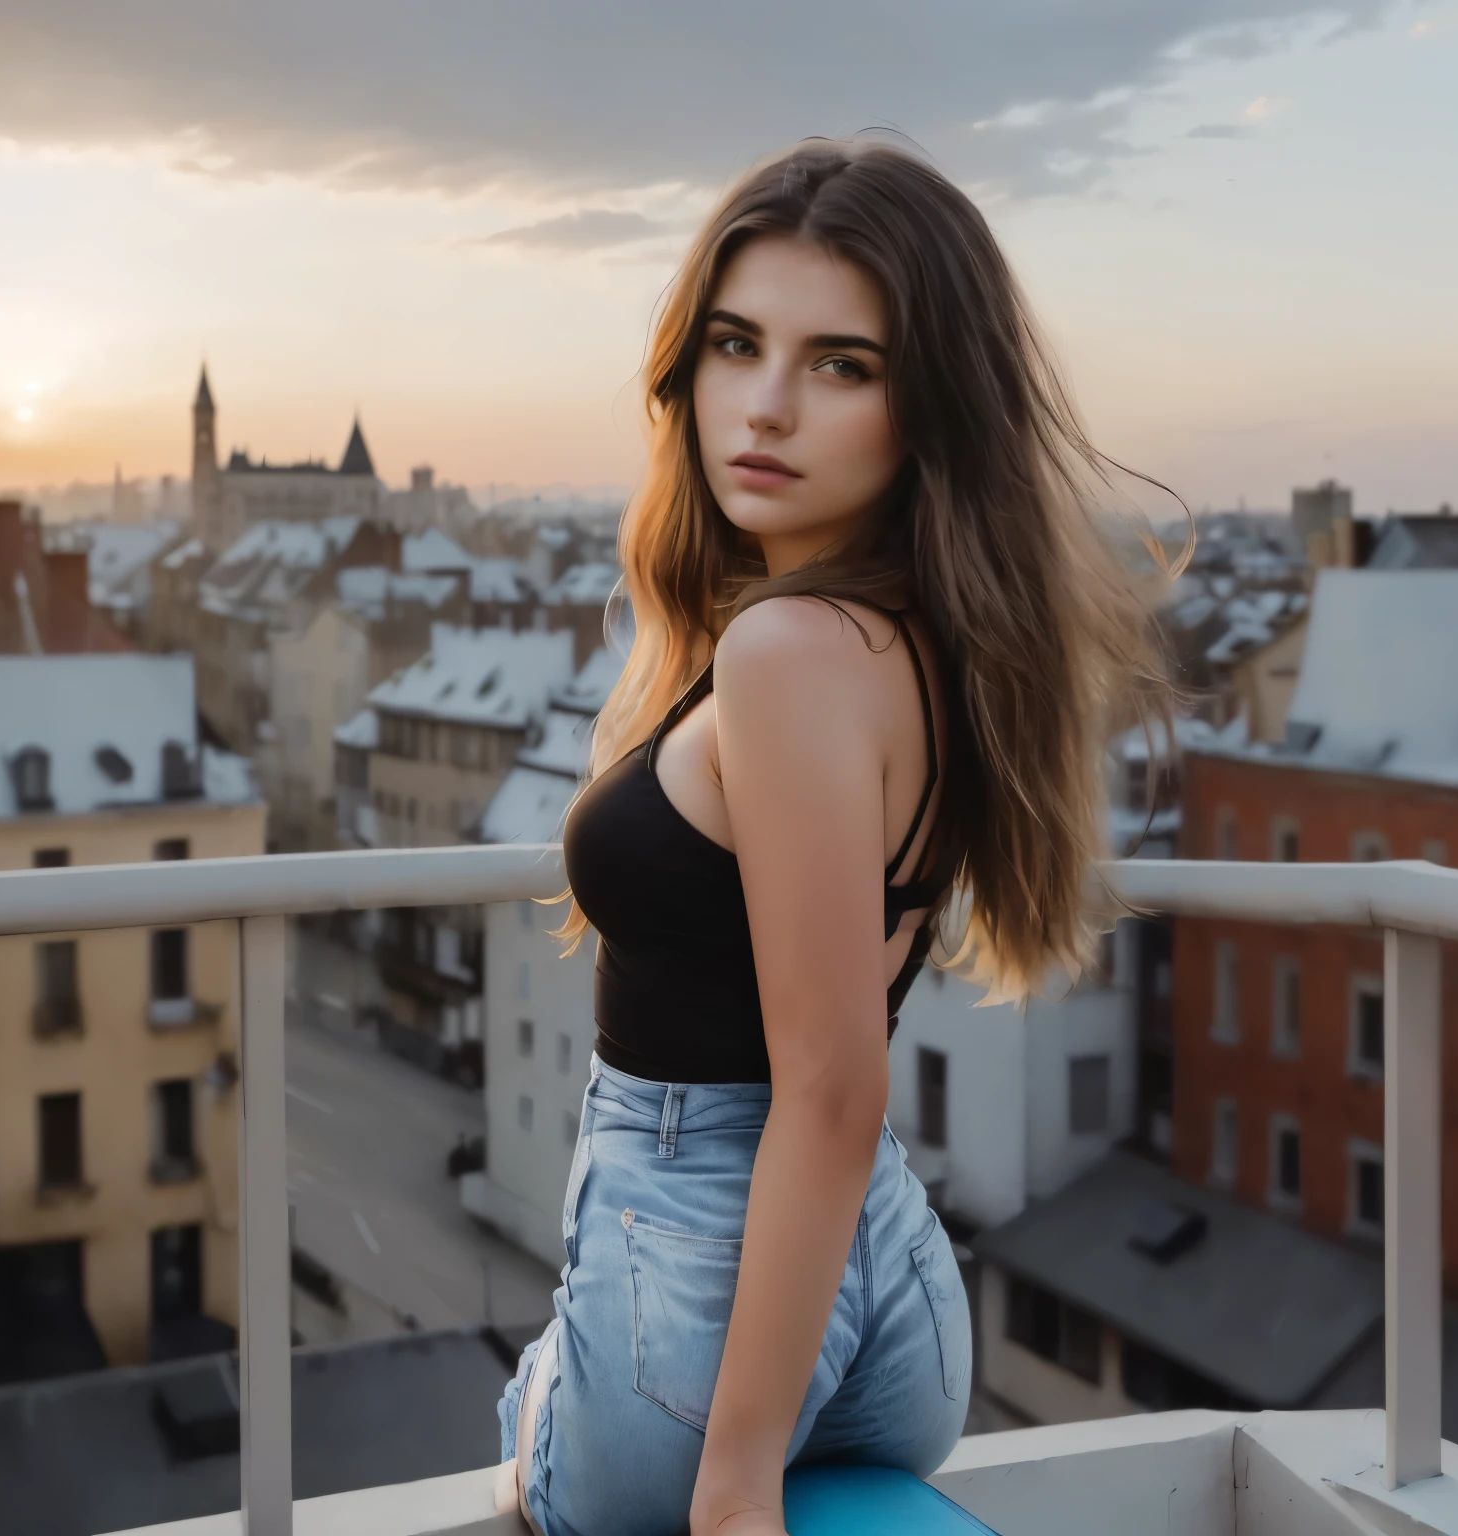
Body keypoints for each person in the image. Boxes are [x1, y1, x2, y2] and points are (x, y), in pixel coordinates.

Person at [494, 137, 1173, 1536]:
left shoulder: (790, 652)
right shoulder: (921, 639)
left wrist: (736, 1486)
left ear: (927, 407)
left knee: (518, 1433)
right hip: (890, 1309)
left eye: (841, 365)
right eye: (737, 345)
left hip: (701, 1310)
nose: (767, 406)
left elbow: (827, 1084)